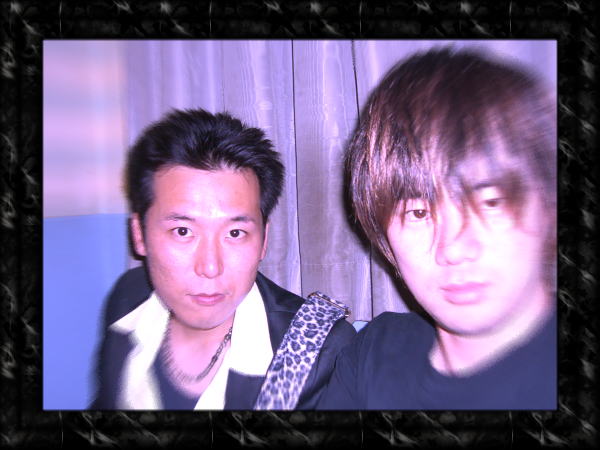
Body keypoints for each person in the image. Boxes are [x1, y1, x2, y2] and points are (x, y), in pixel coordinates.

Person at [319, 47, 557, 409]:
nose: (453, 249)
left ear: (549, 207)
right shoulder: (373, 354)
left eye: (490, 202)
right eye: (418, 213)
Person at [91, 108, 355, 410]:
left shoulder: (318, 351)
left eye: (235, 233)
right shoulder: (129, 297)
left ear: (263, 240)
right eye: (182, 231)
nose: (210, 267)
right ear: (139, 234)